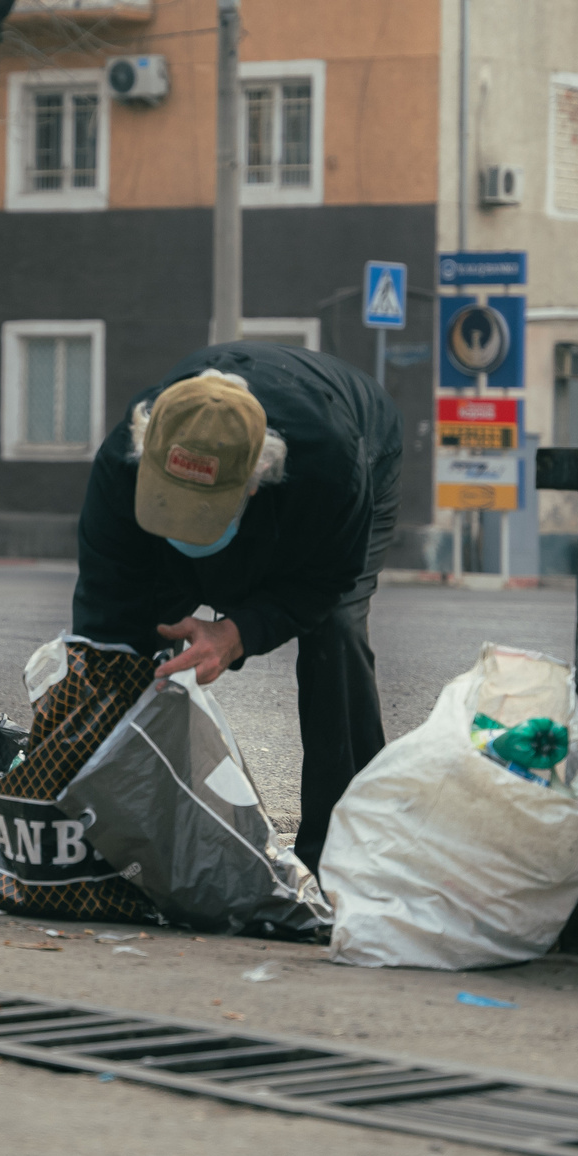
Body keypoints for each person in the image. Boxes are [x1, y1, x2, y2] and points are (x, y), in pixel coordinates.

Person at [71, 342, 401, 873]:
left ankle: (343, 851)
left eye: (200, 512)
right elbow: (106, 603)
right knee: (135, 630)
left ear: (258, 478)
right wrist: (88, 714)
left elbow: (327, 582)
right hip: (248, 468)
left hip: (364, 439)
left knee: (336, 633)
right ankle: (133, 823)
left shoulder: (330, 466)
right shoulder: (122, 458)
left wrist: (239, 630)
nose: (185, 527)